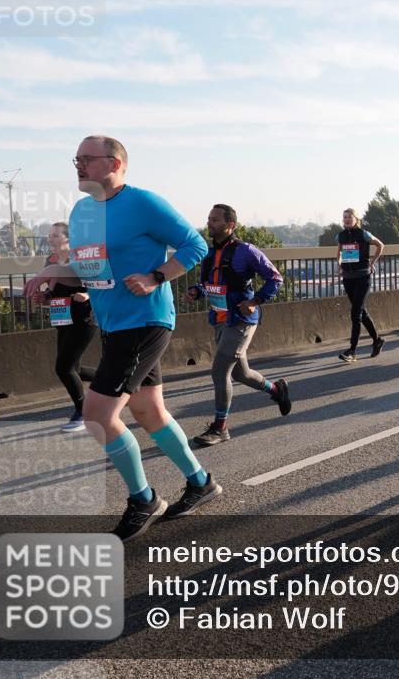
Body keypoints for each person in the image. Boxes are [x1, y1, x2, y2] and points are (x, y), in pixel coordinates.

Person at [24, 135, 220, 542]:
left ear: (114, 164)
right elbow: (89, 271)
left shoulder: (144, 203)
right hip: (114, 324)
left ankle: (144, 498)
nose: (78, 165)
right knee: (149, 412)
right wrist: (51, 279)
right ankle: (200, 482)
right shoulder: (81, 212)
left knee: (98, 415)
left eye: (86, 159)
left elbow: (195, 245)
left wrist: (155, 277)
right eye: (75, 159)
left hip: (145, 320)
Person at [189, 204, 291, 447]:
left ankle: (220, 427)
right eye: (208, 218)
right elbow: (212, 285)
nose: (209, 223)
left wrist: (255, 301)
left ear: (230, 225)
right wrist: (197, 291)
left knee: (219, 371)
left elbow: (275, 278)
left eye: (215, 219)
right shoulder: (209, 252)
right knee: (240, 373)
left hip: (242, 321)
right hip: (220, 319)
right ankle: (277, 390)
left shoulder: (246, 251)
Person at [33, 222, 97, 432]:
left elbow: (100, 284)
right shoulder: (50, 261)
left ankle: (84, 413)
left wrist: (87, 294)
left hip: (84, 317)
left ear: (68, 239)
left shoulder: (81, 258)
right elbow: (52, 291)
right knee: (74, 368)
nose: (50, 239)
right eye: (50, 235)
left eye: (55, 235)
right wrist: (44, 296)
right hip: (62, 318)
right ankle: (116, 381)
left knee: (63, 367)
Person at [336, 208, 386, 362]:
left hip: (363, 277)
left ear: (356, 219)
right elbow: (339, 253)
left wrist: (372, 262)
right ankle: (377, 340)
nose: (347, 220)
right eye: (344, 217)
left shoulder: (363, 234)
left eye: (349, 217)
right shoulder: (341, 236)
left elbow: (380, 245)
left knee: (355, 312)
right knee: (361, 313)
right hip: (348, 278)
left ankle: (352, 351)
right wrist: (339, 265)